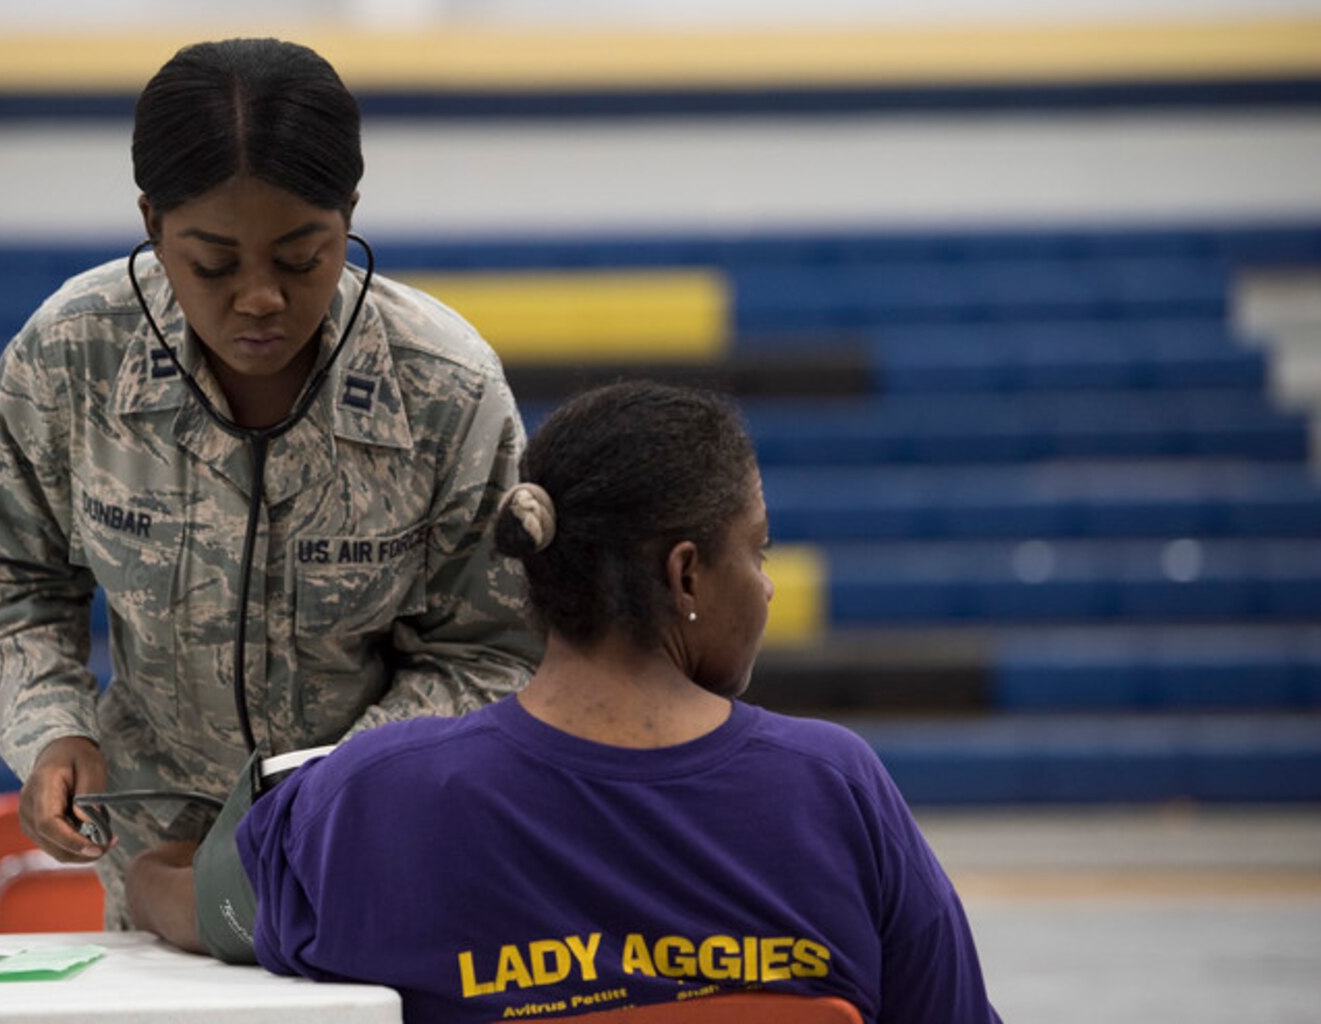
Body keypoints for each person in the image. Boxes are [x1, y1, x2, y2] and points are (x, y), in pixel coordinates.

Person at [126, 380, 1001, 1023]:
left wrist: (149, 870)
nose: (766, 589)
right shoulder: (834, 790)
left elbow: (182, 905)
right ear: (685, 572)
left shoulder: (371, 801)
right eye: (757, 551)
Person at [0, 37, 540, 926]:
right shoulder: (73, 359)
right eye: (212, 263)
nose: (259, 298)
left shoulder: (441, 386)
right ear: (151, 225)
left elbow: (493, 647)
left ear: (349, 212)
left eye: (302, 258)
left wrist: (330, 790)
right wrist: (52, 729)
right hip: (154, 866)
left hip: (379, 851)